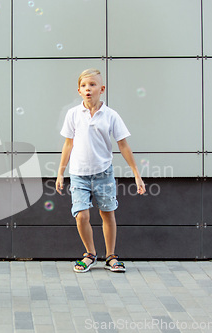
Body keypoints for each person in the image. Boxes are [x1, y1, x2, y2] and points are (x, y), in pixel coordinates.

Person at [56, 69, 145, 273]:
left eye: (93, 85)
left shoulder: (111, 115)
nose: (89, 89)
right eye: (84, 86)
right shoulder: (73, 114)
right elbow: (68, 144)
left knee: (108, 213)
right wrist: (60, 173)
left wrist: (136, 175)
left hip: (103, 174)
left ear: (102, 89)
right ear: (79, 90)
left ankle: (111, 256)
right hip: (79, 175)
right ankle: (90, 254)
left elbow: (123, 145)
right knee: (81, 216)